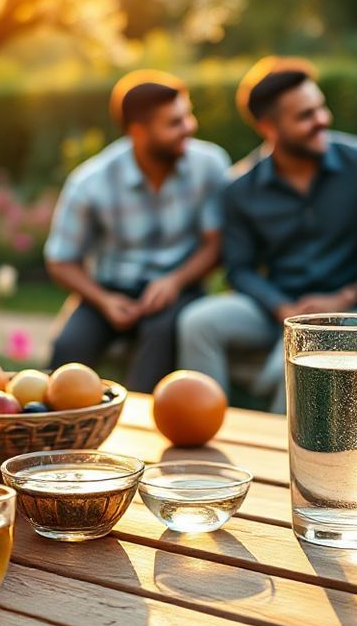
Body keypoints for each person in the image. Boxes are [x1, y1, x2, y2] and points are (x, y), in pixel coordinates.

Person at [178, 57, 357, 412]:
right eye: (305, 116)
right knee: (196, 321)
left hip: (351, 305)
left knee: (288, 366)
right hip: (278, 306)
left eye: (320, 108)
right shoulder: (240, 188)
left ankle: (279, 455)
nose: (321, 120)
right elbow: (240, 269)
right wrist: (281, 308)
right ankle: (206, 425)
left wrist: (345, 296)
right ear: (268, 127)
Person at [44, 71, 231, 392]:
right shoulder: (91, 182)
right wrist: (104, 300)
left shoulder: (209, 164)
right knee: (67, 351)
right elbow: (60, 260)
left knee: (158, 346)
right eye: (174, 122)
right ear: (138, 131)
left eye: (188, 116)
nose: (189, 127)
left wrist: (175, 281)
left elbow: (216, 244)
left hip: (179, 290)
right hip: (107, 291)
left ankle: (135, 430)